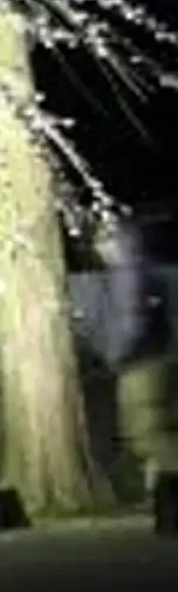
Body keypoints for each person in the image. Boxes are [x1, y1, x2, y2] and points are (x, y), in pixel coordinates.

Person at [98, 213, 176, 498]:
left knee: (146, 432)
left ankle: (169, 491)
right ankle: (161, 491)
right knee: (153, 429)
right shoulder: (147, 270)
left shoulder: (128, 272)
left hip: (140, 362)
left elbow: (131, 318)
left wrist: (116, 355)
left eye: (104, 239)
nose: (97, 247)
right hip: (155, 358)